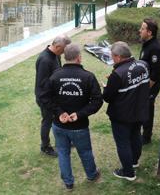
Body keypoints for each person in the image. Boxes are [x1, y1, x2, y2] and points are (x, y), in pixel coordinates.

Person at [41, 44, 103, 190]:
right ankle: (92, 175)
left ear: (64, 57)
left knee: (63, 153)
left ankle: (68, 183)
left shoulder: (55, 76)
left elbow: (44, 97)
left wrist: (59, 112)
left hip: (59, 125)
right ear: (79, 58)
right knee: (85, 151)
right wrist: (75, 114)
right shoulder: (88, 76)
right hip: (78, 126)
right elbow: (97, 100)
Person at [103, 41, 150, 181]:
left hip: (122, 115)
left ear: (118, 56)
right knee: (136, 136)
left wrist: (107, 86)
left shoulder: (117, 74)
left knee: (123, 143)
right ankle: (134, 161)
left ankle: (128, 172)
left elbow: (107, 97)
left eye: (112, 56)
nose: (112, 59)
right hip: (140, 110)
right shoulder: (144, 65)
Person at [35, 35, 71, 157]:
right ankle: (45, 146)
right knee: (47, 121)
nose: (65, 53)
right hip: (45, 98)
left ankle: (63, 141)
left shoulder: (56, 55)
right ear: (57, 46)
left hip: (55, 95)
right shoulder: (45, 60)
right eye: (64, 50)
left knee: (59, 118)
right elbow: (42, 84)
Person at [139, 18, 160, 145]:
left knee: (148, 108)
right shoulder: (146, 44)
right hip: (144, 83)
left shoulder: (155, 48)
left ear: (149, 32)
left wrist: (146, 88)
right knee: (143, 107)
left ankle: (146, 137)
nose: (140, 31)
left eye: (142, 29)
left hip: (151, 85)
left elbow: (155, 73)